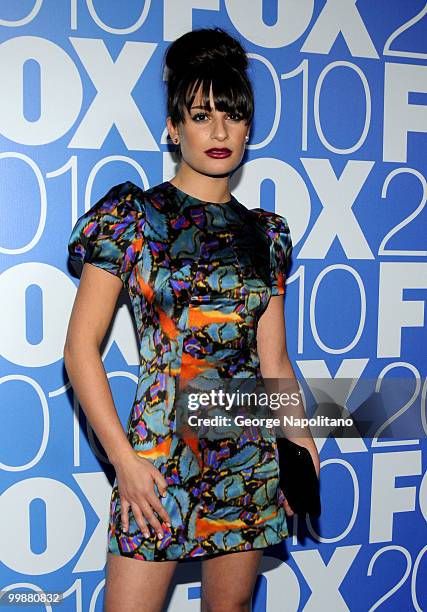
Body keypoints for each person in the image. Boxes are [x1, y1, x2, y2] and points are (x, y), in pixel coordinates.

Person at [64, 26, 320, 612]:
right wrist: (123, 462)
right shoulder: (134, 216)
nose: (220, 130)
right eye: (201, 115)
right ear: (174, 128)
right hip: (156, 462)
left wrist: (301, 448)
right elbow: (80, 348)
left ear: (249, 128)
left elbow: (274, 360)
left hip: (249, 456)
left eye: (232, 115)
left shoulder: (265, 233)